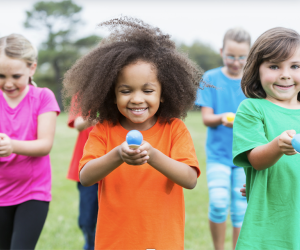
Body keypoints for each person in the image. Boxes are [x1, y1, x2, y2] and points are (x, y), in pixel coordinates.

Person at [63, 16, 202, 250]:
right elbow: (86, 177)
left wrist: (154, 155)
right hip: (114, 242)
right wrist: (118, 154)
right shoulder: (104, 130)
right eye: (126, 91)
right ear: (112, 95)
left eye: (148, 90)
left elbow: (190, 179)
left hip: (161, 242)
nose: (137, 99)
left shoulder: (174, 129)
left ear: (163, 93)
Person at [233, 27, 300, 249]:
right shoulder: (252, 109)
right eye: (274, 66)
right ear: (257, 69)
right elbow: (256, 160)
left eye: (295, 66)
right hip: (269, 226)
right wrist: (278, 146)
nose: (285, 74)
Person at [0, 34, 60, 250]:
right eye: (0, 76)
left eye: (16, 76)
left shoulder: (43, 97)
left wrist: (12, 146)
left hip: (32, 192)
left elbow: (45, 145)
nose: (8, 83)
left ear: (32, 68)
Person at [195, 27, 251, 250]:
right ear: (221, 51)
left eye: (241, 57)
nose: (236, 62)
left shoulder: (251, 81)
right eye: (231, 56)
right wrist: (224, 118)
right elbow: (207, 118)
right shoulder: (210, 78)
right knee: (218, 204)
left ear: (249, 56)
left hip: (244, 156)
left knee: (240, 208)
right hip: (218, 156)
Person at [67, 100, 98, 250]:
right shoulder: (84, 91)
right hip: (87, 167)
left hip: (119, 169)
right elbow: (79, 124)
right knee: (87, 220)